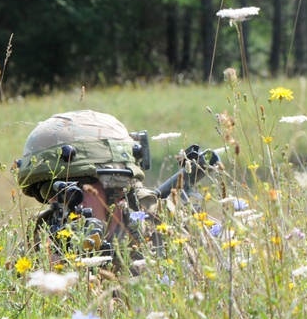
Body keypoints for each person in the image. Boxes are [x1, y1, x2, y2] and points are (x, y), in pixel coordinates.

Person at [13, 110, 219, 268]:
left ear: (116, 186)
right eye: (47, 191)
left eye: (72, 191)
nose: (57, 201)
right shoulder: (42, 234)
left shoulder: (164, 231)